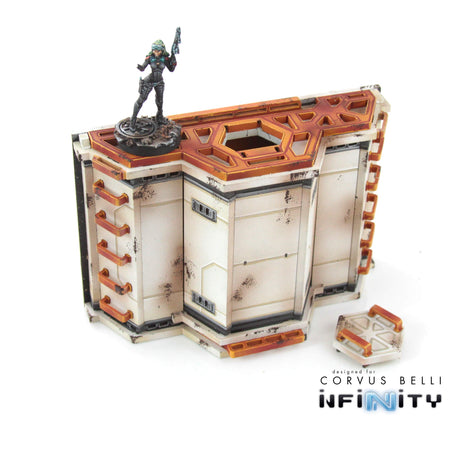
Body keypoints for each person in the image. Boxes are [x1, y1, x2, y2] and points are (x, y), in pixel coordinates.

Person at [130, 39, 177, 130]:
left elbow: (171, 69)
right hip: (149, 81)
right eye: (154, 50)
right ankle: (133, 120)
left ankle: (159, 117)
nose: (156, 52)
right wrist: (140, 67)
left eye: (158, 51)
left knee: (160, 101)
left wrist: (173, 59)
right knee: (141, 101)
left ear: (162, 50)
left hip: (159, 82)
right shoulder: (150, 58)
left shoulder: (164, 59)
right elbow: (143, 67)